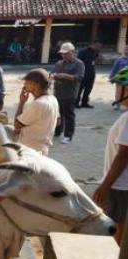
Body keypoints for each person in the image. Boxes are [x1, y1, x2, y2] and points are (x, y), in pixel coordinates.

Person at [93, 104, 128, 245]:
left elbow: (123, 155)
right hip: (121, 184)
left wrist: (105, 186)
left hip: (120, 185)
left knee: (116, 232)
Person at [13, 68, 59, 155]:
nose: (24, 84)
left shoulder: (39, 104)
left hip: (30, 150)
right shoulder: (52, 99)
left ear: (36, 85)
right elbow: (58, 121)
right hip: (41, 148)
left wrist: (21, 102)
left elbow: (17, 125)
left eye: (27, 82)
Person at [52, 42, 85, 144]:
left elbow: (79, 77)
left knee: (69, 115)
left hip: (70, 93)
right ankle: (58, 131)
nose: (64, 55)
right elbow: (53, 74)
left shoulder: (79, 63)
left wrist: (65, 76)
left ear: (73, 52)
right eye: (62, 53)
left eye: (66, 53)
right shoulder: (59, 63)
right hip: (58, 92)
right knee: (58, 114)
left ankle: (68, 135)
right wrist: (52, 76)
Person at [76, 41, 102, 108]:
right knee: (80, 88)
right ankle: (76, 103)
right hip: (83, 73)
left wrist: (98, 60)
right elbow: (78, 62)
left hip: (91, 72)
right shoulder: (83, 51)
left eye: (99, 46)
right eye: (97, 46)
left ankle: (84, 103)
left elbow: (95, 60)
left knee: (88, 88)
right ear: (92, 44)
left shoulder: (96, 51)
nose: (98, 48)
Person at [109, 45, 128, 110]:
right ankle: (118, 105)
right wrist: (111, 77)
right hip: (120, 79)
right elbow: (114, 68)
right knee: (119, 92)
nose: (127, 51)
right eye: (126, 49)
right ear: (124, 50)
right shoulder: (119, 59)